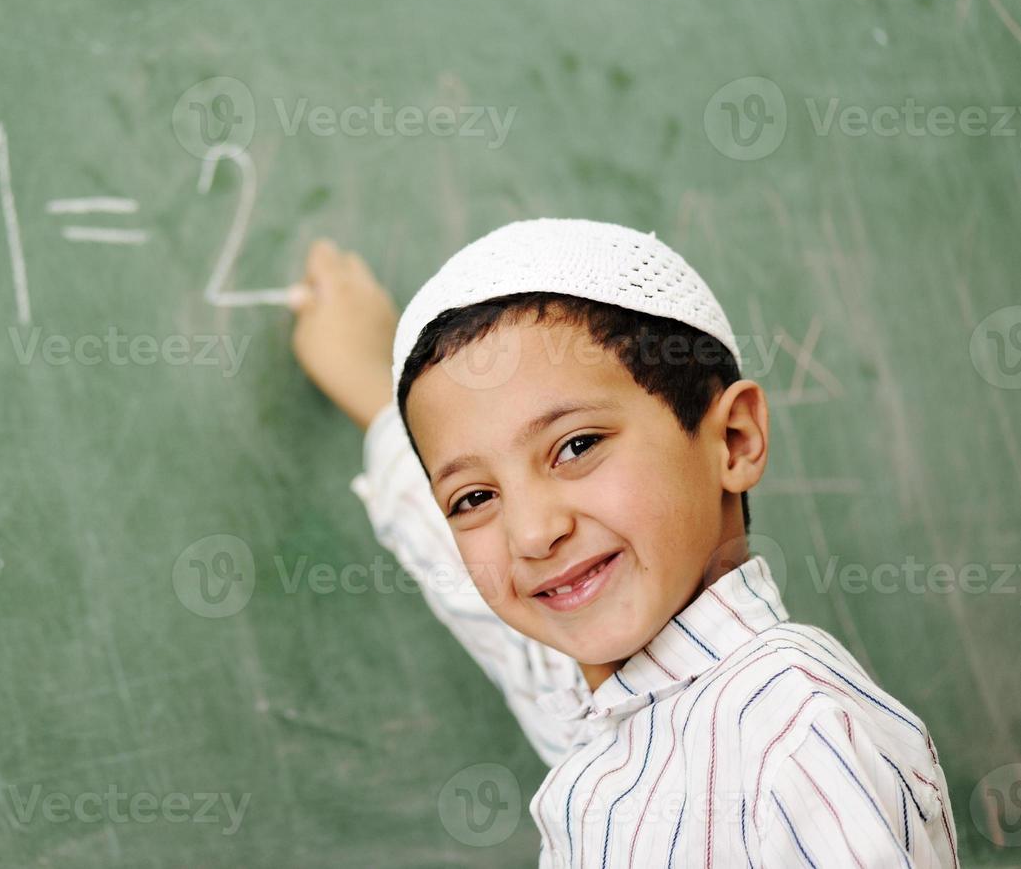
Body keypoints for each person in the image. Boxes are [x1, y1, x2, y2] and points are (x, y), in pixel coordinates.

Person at [288, 219, 958, 866]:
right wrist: (364, 382)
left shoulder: (791, 739)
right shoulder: (610, 708)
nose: (529, 533)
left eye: (575, 447)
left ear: (733, 440)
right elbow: (494, 622)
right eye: (474, 498)